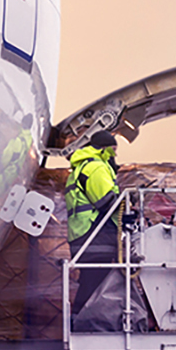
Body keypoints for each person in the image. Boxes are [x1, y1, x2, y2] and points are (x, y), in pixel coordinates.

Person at [64, 130, 122, 316]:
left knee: (90, 280)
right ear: (103, 149)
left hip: (83, 234)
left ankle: (80, 319)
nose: (116, 155)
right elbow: (105, 202)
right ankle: (83, 322)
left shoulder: (82, 167)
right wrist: (128, 204)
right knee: (96, 283)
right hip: (94, 235)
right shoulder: (96, 168)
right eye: (113, 150)